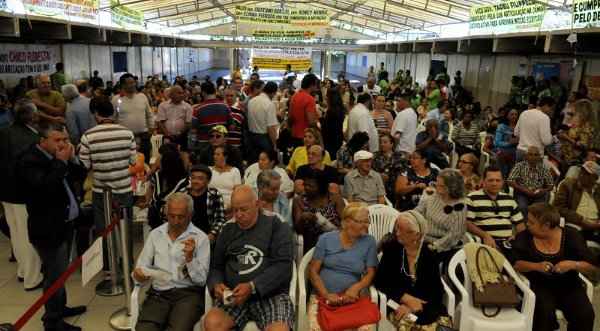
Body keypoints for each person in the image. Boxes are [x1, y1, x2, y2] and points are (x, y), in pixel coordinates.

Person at [17, 123, 87, 331]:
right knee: (53, 276)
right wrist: (61, 162)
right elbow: (45, 187)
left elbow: (80, 174)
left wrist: (71, 159)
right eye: (58, 140)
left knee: (60, 273)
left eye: (65, 140)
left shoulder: (61, 159)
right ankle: (52, 321)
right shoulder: (29, 161)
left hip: (65, 223)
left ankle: (61, 307)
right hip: (47, 229)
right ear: (43, 141)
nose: (63, 144)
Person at [204, 185, 295, 331]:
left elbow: (283, 266)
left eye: (243, 209)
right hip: (233, 295)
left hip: (271, 294)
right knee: (212, 323)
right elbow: (216, 267)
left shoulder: (276, 224)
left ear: (257, 204)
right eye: (235, 210)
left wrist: (253, 286)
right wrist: (217, 284)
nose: (238, 214)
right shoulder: (227, 229)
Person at [511, 203, 597, 331]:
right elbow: (516, 264)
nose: (527, 224)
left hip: (569, 285)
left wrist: (573, 264)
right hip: (539, 285)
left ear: (546, 225)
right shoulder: (525, 236)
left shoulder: (572, 236)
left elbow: (592, 266)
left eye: (531, 222)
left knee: (585, 314)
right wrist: (536, 266)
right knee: (544, 314)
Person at [133, 193, 210, 331]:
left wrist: (190, 259)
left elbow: (202, 280)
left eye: (181, 217)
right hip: (159, 293)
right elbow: (140, 267)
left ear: (190, 215)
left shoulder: (201, 238)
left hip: (188, 294)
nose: (175, 221)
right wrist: (138, 276)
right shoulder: (156, 234)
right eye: (171, 216)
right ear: (166, 213)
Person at [79, 96, 137, 273]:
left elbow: (85, 165)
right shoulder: (127, 133)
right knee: (125, 228)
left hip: (101, 191)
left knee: (103, 230)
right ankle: (127, 263)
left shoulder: (88, 136)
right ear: (112, 113)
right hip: (124, 188)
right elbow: (133, 161)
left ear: (96, 115)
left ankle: (108, 267)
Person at [374, 211, 452, 330]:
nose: (397, 233)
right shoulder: (392, 249)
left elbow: (437, 290)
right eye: (397, 227)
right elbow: (381, 281)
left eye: (403, 230)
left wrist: (416, 306)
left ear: (417, 235)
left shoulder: (429, 253)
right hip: (397, 305)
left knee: (443, 328)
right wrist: (405, 298)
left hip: (426, 307)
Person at [308, 202, 378, 331]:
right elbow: (312, 271)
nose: (366, 225)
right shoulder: (326, 239)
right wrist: (326, 294)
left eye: (367, 221)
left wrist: (356, 288)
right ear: (346, 222)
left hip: (352, 298)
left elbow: (370, 273)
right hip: (323, 298)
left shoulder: (369, 241)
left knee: (365, 327)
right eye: (361, 221)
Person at [0, 100, 43, 290]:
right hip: (24, 193)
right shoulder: (31, 138)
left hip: (5, 191)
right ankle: (32, 278)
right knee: (28, 235)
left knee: (16, 234)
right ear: (31, 116)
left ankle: (23, 270)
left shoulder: (4, 132)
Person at [466, 165, 525, 251]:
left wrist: (516, 236)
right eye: (491, 180)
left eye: (498, 180)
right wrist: (485, 235)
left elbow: (520, 225)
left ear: (502, 182)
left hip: (508, 243)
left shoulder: (509, 199)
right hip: (484, 243)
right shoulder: (472, 198)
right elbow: (467, 224)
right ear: (483, 181)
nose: (494, 183)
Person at [415, 169, 467, 261]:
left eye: (441, 186)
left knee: (423, 256)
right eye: (437, 184)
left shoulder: (459, 206)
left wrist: (435, 246)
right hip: (423, 238)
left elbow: (455, 235)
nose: (437, 187)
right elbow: (417, 212)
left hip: (445, 246)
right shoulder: (433, 196)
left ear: (452, 188)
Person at [293, 168, 345, 253]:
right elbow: (298, 230)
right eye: (305, 184)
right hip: (312, 244)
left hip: (336, 240)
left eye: (311, 186)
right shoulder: (299, 201)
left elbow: (346, 222)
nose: (306, 188)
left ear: (321, 187)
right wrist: (302, 218)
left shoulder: (335, 199)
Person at [552, 161, 600, 242]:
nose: (581, 174)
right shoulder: (568, 185)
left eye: (587, 174)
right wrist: (582, 220)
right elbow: (558, 208)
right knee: (574, 235)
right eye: (581, 171)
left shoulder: (598, 190)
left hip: (596, 227)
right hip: (575, 223)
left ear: (595, 178)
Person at [145, 144, 190, 228]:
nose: (158, 162)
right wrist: (148, 203)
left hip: (174, 219)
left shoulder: (183, 182)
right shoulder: (157, 176)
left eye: (161, 160)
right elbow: (150, 188)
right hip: (154, 218)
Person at [112, 73, 154, 161]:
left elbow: (149, 115)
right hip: (125, 138)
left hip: (144, 136)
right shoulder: (116, 99)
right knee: (127, 162)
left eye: (133, 82)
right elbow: (113, 118)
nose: (133, 85)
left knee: (145, 160)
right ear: (123, 85)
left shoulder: (142, 97)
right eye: (130, 83)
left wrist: (151, 129)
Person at [507, 146, 554, 218]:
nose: (533, 157)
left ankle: (536, 226)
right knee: (522, 207)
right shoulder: (519, 166)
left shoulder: (543, 168)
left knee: (539, 209)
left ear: (539, 157)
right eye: (530, 154)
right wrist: (524, 189)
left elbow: (551, 184)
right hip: (522, 193)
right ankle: (524, 225)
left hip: (538, 195)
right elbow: (510, 181)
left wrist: (544, 190)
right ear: (526, 156)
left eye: (536, 155)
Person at [187, 164, 227, 244]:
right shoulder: (184, 193)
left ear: (208, 181)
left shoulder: (214, 194)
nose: (195, 181)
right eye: (193, 178)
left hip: (207, 237)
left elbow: (221, 219)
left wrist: (212, 234)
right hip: (185, 236)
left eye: (200, 178)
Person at [190, 82, 232, 151]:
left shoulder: (198, 109)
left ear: (203, 93)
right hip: (221, 146)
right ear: (215, 91)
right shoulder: (225, 106)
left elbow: (193, 131)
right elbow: (231, 126)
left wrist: (192, 147)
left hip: (204, 146)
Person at [247, 80, 279, 163]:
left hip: (251, 137)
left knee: (253, 164)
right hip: (264, 139)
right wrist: (274, 144)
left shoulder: (251, 101)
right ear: (273, 93)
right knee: (265, 165)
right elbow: (271, 128)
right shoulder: (269, 104)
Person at [514, 96, 555, 160]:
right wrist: (552, 139)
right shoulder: (544, 117)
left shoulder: (524, 113)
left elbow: (516, 133)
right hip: (534, 155)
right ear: (546, 106)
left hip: (520, 151)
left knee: (519, 170)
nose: (551, 111)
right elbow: (546, 141)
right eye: (551, 109)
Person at [559, 99, 596, 168]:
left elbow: (583, 146)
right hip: (565, 157)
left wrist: (566, 137)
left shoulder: (587, 127)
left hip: (574, 162)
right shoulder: (578, 124)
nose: (572, 116)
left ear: (583, 113)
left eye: (575, 113)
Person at [373, 133, 407, 205]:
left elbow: (404, 173)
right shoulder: (375, 156)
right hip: (378, 187)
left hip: (395, 187)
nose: (382, 144)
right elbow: (370, 172)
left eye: (385, 142)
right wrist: (379, 175)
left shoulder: (400, 157)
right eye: (380, 142)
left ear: (391, 144)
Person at [289, 74, 319, 148]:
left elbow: (290, 117)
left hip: (294, 134)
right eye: (316, 84)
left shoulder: (294, 96)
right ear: (311, 85)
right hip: (306, 137)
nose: (317, 87)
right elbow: (311, 121)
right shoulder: (310, 99)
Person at [209, 146, 242, 210]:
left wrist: (231, 206)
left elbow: (237, 192)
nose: (214, 156)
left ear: (225, 157)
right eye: (214, 154)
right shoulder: (209, 170)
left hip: (230, 206)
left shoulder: (235, 171)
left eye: (218, 154)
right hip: (211, 204)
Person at [494, 108, 519, 177]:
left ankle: (513, 180)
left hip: (516, 150)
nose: (514, 116)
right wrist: (509, 143)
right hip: (503, 149)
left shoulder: (519, 127)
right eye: (512, 114)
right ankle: (502, 178)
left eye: (516, 114)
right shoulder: (501, 126)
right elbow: (497, 142)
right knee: (501, 155)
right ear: (507, 116)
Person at [323, 88, 345, 160]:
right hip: (338, 139)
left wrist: (320, 120)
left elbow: (326, 128)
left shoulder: (331, 112)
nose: (325, 97)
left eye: (327, 95)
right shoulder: (340, 109)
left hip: (330, 140)